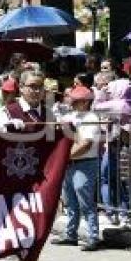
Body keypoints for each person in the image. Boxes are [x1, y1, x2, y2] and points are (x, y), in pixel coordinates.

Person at [0, 69, 51, 261]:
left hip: (39, 182)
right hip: (13, 181)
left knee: (38, 231)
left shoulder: (48, 113)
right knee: (21, 231)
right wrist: (6, 128)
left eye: (39, 86)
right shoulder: (8, 112)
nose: (36, 91)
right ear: (21, 88)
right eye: (31, 86)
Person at [52, 86, 103, 251]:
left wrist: (65, 157)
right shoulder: (71, 116)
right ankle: (70, 234)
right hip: (71, 163)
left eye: (77, 100)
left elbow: (86, 145)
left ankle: (93, 236)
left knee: (85, 202)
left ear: (86, 102)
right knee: (71, 201)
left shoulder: (92, 118)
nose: (72, 102)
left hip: (85, 162)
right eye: (72, 99)